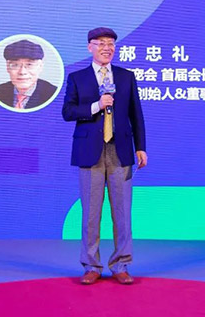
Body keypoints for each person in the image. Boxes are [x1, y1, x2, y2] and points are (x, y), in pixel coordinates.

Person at [62, 27, 147, 285]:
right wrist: (96, 106)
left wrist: (140, 146)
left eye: (110, 43)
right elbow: (68, 112)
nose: (106, 48)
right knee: (91, 213)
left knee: (122, 213)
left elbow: (136, 114)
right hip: (90, 152)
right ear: (90, 47)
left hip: (121, 151)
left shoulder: (125, 77)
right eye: (100, 43)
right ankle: (92, 265)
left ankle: (121, 264)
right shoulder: (77, 78)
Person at [0, 39, 57, 110]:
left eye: (29, 64)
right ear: (7, 67)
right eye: (15, 65)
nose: (22, 72)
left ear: (40, 67)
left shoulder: (53, 94)